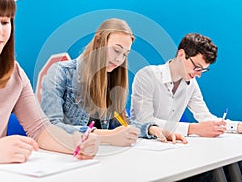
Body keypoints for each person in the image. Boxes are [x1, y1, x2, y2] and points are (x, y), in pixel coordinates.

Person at [0, 0, 99, 166]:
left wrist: (73, 143)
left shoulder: (14, 74)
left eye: (5, 21)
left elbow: (40, 129)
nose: (0, 32)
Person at [41, 18, 187, 146]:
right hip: (68, 156)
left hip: (100, 156)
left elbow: (121, 122)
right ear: (98, 42)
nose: (119, 60)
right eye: (116, 50)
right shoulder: (60, 72)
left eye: (125, 54)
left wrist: (153, 130)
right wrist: (108, 136)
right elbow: (51, 126)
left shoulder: (111, 77)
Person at [131, 33, 242, 138]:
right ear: (181, 55)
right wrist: (192, 129)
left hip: (172, 144)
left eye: (203, 70)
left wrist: (239, 127)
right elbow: (143, 121)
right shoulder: (147, 75)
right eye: (197, 67)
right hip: (143, 146)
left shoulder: (190, 83)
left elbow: (205, 117)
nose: (199, 75)